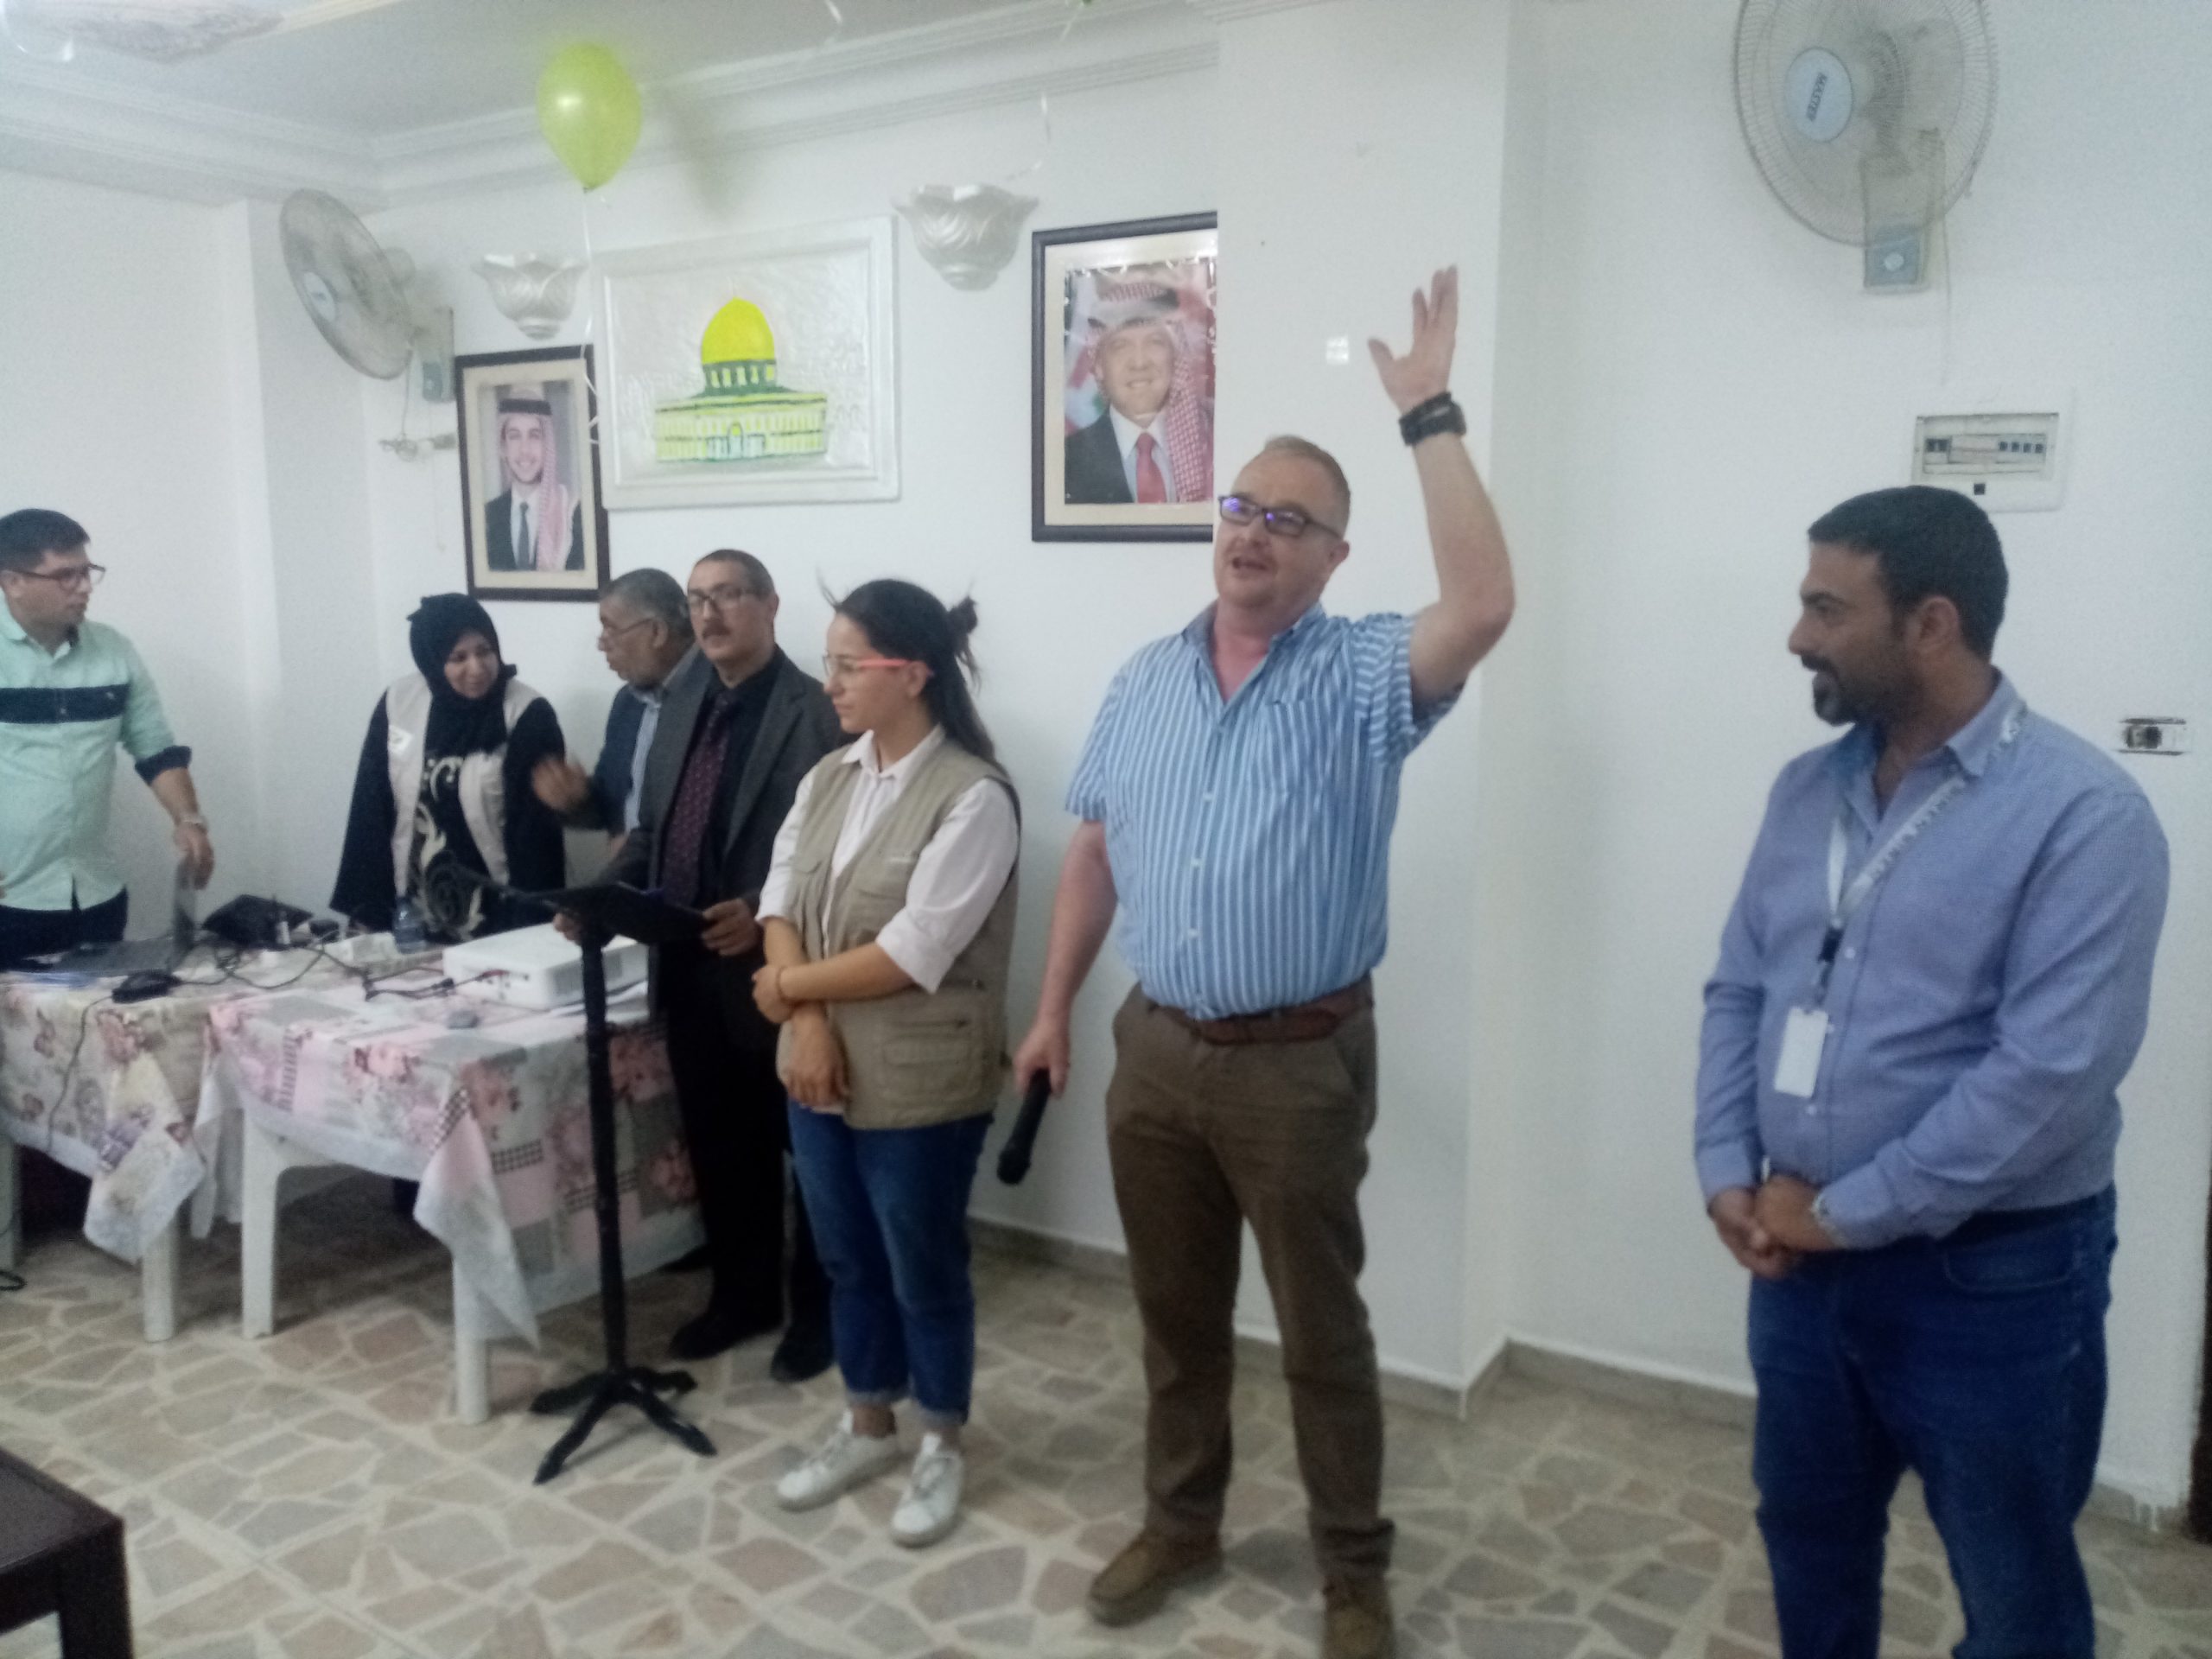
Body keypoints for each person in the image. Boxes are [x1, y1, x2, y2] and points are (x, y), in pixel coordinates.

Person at [1013, 268, 1515, 1659]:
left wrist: (1430, 416)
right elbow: (1096, 855)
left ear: (1334, 558)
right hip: (1153, 1052)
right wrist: (1052, 1013)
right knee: (1175, 1320)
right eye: (1242, 506)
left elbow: (1482, 606)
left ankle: (1353, 1571)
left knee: (1319, 1335)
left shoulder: (1360, 676)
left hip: (1297, 1065)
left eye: (1291, 520)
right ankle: (1182, 1524)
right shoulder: (1143, 678)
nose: (1255, 532)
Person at [1695, 486, 2168, 1658]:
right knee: (1810, 1539)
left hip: (1991, 1279)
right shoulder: (1806, 790)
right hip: (1797, 1267)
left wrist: (1840, 1215)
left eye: (1826, 608)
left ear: (1932, 624)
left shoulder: (2085, 816)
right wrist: (1724, 1169)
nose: (1797, 636)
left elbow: (2048, 1079)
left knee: (2013, 1591)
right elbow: (1741, 988)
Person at [750, 581, 1020, 1550]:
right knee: (845, 1257)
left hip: (920, 1081)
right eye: (828, 663)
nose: (829, 682)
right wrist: (806, 1017)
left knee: (922, 1263)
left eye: (846, 665)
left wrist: (787, 990)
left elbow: (913, 952)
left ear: (911, 675)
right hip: (813, 1067)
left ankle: (941, 1437)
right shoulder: (829, 777)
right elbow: (778, 901)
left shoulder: (974, 796)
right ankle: (868, 1422)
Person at [594, 550, 837, 1376]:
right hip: (688, 964)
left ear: (770, 605)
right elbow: (655, 830)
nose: (710, 614)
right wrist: (601, 892)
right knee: (720, 1145)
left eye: (729, 596)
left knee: (808, 1153)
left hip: (781, 971)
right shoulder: (680, 703)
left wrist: (765, 910)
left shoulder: (816, 711)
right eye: (698, 599)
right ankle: (742, 1296)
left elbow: (838, 852)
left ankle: (819, 1313)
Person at [0, 508, 214, 968]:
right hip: (9, 899)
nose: (85, 587)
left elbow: (156, 748)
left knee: (92, 1014)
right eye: (66, 576)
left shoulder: (113, 651)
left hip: (95, 897)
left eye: (88, 572)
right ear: (13, 581)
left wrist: (189, 819)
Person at [331, 594, 566, 940]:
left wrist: (530, 931)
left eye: (485, 651)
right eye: (458, 658)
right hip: (414, 916)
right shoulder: (399, 703)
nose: (477, 668)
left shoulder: (527, 714)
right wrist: (366, 911)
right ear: (432, 659)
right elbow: (371, 810)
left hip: (500, 914)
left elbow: (536, 841)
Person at [531, 568, 695, 855]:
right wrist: (575, 799)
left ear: (657, 632)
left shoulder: (713, 701)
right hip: (628, 873)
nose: (601, 643)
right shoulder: (627, 702)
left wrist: (644, 853)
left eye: (611, 629)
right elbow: (611, 807)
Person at [1064, 290, 1211, 507]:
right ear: (1098, 365)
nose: (1139, 363)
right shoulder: (1065, 461)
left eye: (1155, 342)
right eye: (1121, 346)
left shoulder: (1211, 448)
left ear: (1175, 356)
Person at [483, 386, 584, 573]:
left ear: (547, 445)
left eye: (534, 436)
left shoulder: (572, 514)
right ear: (503, 447)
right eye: (514, 437)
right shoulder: (487, 516)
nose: (525, 450)